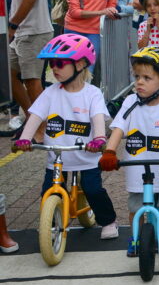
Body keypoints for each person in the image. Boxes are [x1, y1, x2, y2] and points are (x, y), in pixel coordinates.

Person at [14, 34, 118, 239]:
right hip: (57, 158)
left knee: (93, 189)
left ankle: (108, 221)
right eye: (52, 64)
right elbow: (35, 116)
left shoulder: (92, 93)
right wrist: (25, 138)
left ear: (79, 64)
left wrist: (99, 138)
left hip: (87, 156)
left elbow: (97, 117)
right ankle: (52, 226)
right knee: (49, 191)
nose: (54, 68)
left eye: (60, 63)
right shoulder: (50, 92)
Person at [99, 47, 159, 256]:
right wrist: (109, 152)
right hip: (137, 170)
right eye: (137, 77)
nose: (139, 82)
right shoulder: (130, 102)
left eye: (146, 78)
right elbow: (118, 129)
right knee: (135, 208)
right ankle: (135, 237)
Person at [4, 0, 54, 143]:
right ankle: (33, 120)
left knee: (32, 81)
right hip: (25, 31)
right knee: (8, 75)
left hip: (32, 31)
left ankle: (42, 130)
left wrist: (12, 25)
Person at [64, 0, 118, 75]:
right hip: (73, 29)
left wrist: (111, 11)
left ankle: (85, 88)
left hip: (95, 31)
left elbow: (112, 3)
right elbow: (74, 12)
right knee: (71, 68)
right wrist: (101, 12)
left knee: (88, 69)